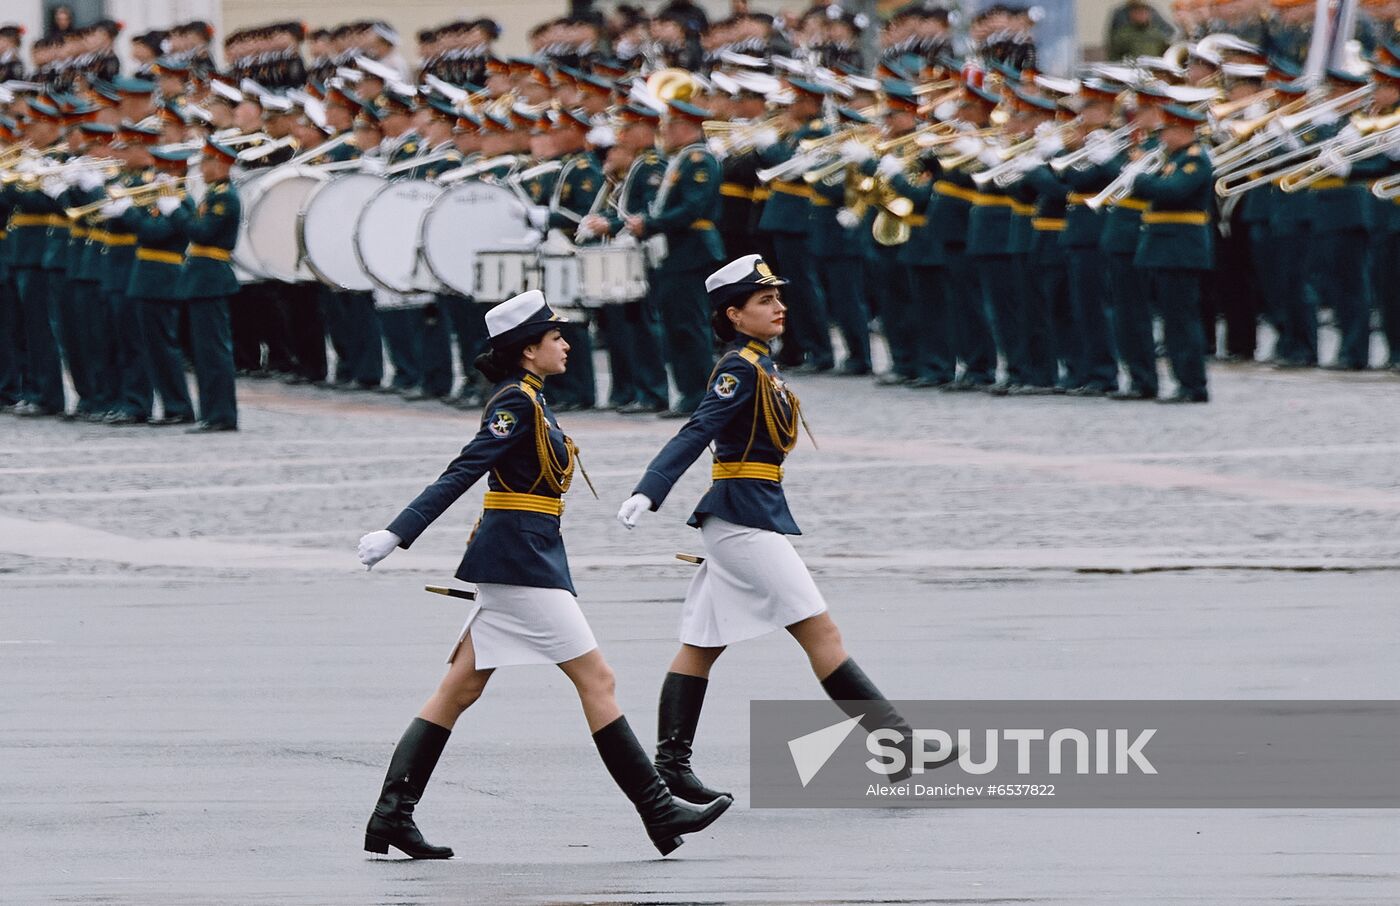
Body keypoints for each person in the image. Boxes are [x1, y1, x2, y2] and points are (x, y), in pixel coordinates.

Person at [355, 290, 732, 859]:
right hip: (519, 562)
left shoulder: (533, 399)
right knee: (597, 679)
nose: (565, 344)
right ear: (528, 350)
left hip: (523, 556)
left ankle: (390, 816)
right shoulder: (516, 403)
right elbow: (463, 470)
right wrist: (397, 532)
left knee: (459, 690)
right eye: (555, 337)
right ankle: (658, 809)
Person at [615, 255, 947, 804]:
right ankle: (898, 744)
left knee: (702, 644)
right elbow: (698, 430)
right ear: (734, 314)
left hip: (747, 514)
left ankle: (671, 766)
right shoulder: (738, 368)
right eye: (764, 301)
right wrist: (649, 489)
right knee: (821, 634)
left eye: (777, 298)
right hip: (743, 521)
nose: (779, 308)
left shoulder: (759, 363)